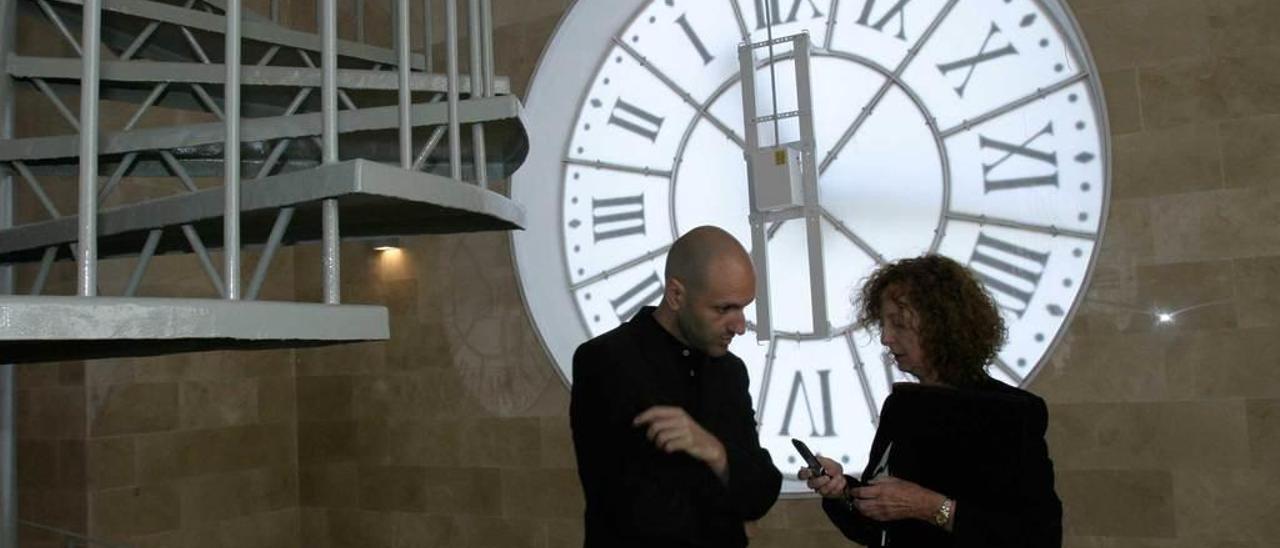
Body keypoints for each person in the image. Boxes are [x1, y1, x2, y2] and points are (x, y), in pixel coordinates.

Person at [799, 254, 1062, 547]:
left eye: (898, 324)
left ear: (942, 326)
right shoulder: (902, 406)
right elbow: (877, 528)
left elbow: (1038, 536)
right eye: (882, 324)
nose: (885, 338)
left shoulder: (1009, 413)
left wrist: (930, 507)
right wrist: (842, 492)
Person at [570, 226, 782, 548]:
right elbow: (633, 508)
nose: (739, 326)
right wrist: (730, 496)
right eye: (724, 309)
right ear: (676, 295)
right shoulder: (606, 361)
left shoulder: (730, 372)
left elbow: (761, 492)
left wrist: (714, 451)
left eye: (743, 308)